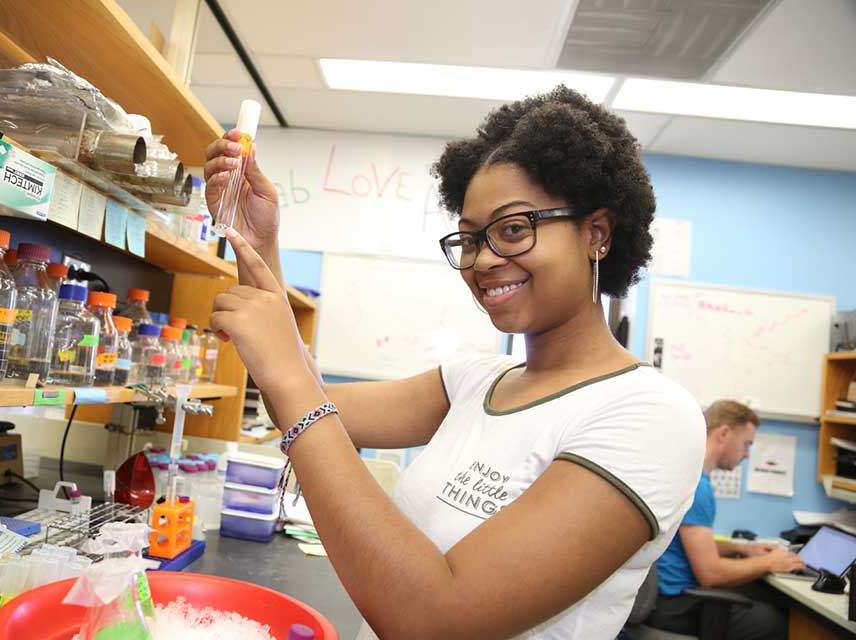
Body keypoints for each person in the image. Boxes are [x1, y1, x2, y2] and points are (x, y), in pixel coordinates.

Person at [203, 85, 706, 639]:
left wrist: (291, 376)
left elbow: (435, 619)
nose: (484, 260)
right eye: (468, 240)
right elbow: (305, 404)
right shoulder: (475, 380)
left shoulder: (650, 416)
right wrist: (258, 242)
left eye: (514, 230)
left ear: (597, 233)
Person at [648, 400, 805, 639]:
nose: (746, 455)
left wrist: (743, 549)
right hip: (679, 607)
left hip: (664, 600)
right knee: (779, 622)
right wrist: (770, 562)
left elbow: (690, 543)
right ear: (724, 433)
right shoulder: (697, 488)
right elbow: (711, 574)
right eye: (746, 444)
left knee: (756, 597)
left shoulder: (686, 475)